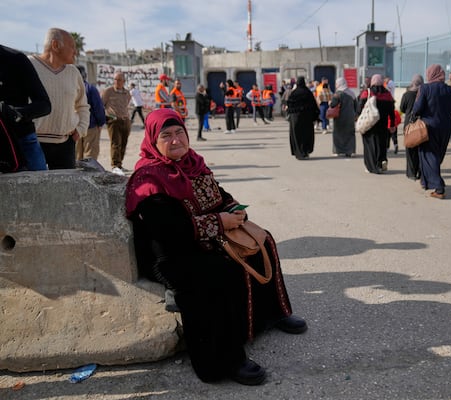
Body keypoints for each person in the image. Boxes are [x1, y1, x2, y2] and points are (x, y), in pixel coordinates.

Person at [125, 108, 307, 385]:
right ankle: (224, 361)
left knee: (263, 240)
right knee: (215, 272)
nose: (175, 141)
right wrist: (219, 223)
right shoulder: (149, 179)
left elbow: (219, 194)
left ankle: (271, 316)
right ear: (153, 140)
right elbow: (168, 231)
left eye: (179, 133)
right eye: (166, 136)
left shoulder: (193, 163)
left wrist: (234, 210)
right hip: (170, 255)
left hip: (206, 236)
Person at [29, 28, 90, 170]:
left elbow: (83, 106)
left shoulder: (73, 72)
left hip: (65, 145)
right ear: (55, 45)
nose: (76, 52)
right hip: (32, 145)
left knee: (65, 189)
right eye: (72, 47)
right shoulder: (28, 65)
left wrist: (80, 130)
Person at [412, 64, 451, 199]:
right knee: (436, 157)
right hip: (445, 129)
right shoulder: (449, 90)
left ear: (430, 74)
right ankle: (426, 181)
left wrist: (413, 117)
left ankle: (439, 188)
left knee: (429, 156)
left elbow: (417, 108)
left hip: (429, 129)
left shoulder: (425, 88)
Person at [0, 44, 51, 171]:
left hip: (22, 141)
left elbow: (44, 104)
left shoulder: (16, 59)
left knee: (41, 187)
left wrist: (16, 113)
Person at [358, 74, 394, 174]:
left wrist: (358, 117)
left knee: (369, 145)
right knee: (381, 144)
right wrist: (392, 124)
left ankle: (371, 166)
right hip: (383, 124)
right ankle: (380, 163)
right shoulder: (387, 94)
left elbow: (359, 107)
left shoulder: (367, 92)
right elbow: (391, 110)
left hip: (369, 124)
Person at [102, 72, 132, 175]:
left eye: (119, 80)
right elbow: (102, 105)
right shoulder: (108, 92)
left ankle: (120, 164)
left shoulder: (127, 93)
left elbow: (126, 104)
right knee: (116, 143)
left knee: (124, 143)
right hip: (113, 121)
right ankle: (115, 165)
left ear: (123, 81)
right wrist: (108, 116)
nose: (116, 82)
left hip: (125, 120)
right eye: (115, 79)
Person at [285, 76, 320, 160]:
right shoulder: (308, 92)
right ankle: (306, 152)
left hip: (295, 118)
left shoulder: (294, 93)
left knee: (297, 135)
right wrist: (315, 116)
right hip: (307, 118)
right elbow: (314, 105)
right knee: (306, 135)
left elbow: (289, 105)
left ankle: (298, 153)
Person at [75, 65, 106, 161]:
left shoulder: (70, 89)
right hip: (90, 126)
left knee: (76, 156)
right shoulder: (91, 89)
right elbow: (98, 108)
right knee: (90, 156)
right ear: (85, 75)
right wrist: (100, 123)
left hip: (74, 127)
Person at [399, 74, 424, 181]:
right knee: (420, 149)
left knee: (410, 149)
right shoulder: (424, 94)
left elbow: (402, 108)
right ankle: (420, 172)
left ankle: (411, 172)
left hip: (409, 124)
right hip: (421, 124)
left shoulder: (407, 95)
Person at [329, 77, 357, 157]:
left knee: (338, 134)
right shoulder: (352, 93)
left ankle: (338, 151)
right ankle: (350, 151)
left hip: (339, 118)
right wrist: (355, 115)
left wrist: (330, 103)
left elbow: (333, 105)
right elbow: (356, 105)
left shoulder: (337, 94)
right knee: (350, 134)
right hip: (350, 117)